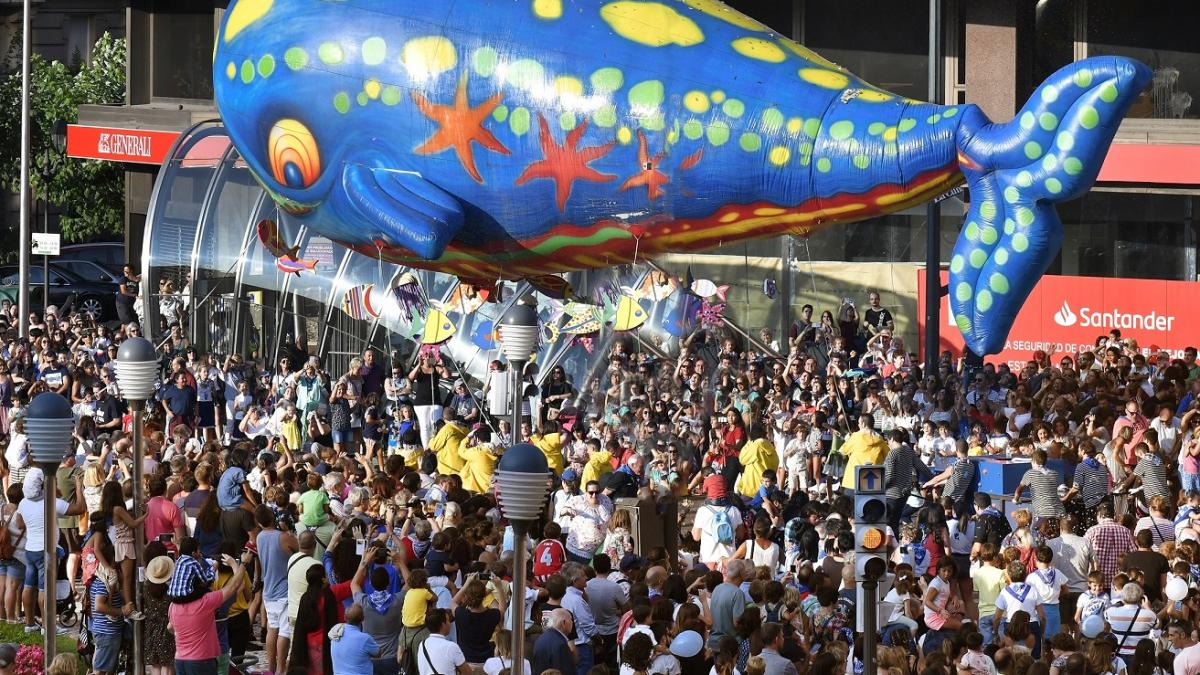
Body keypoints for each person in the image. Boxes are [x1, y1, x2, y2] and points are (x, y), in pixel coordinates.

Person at [168, 550, 250, 675]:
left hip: (180, 660)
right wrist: (242, 564)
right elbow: (234, 586)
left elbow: (170, 628)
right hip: (202, 660)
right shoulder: (205, 602)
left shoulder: (173, 606)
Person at [329, 603, 382, 675]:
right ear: (363, 618)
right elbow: (378, 653)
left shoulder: (335, 632)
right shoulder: (365, 639)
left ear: (345, 617)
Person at [418, 608, 471, 675]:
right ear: (443, 625)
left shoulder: (422, 645)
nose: (450, 623)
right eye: (448, 620)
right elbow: (468, 672)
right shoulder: (451, 647)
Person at [532, 608, 576, 675]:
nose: (572, 622)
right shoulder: (561, 644)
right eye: (571, 620)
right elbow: (565, 671)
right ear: (564, 623)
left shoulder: (541, 638)